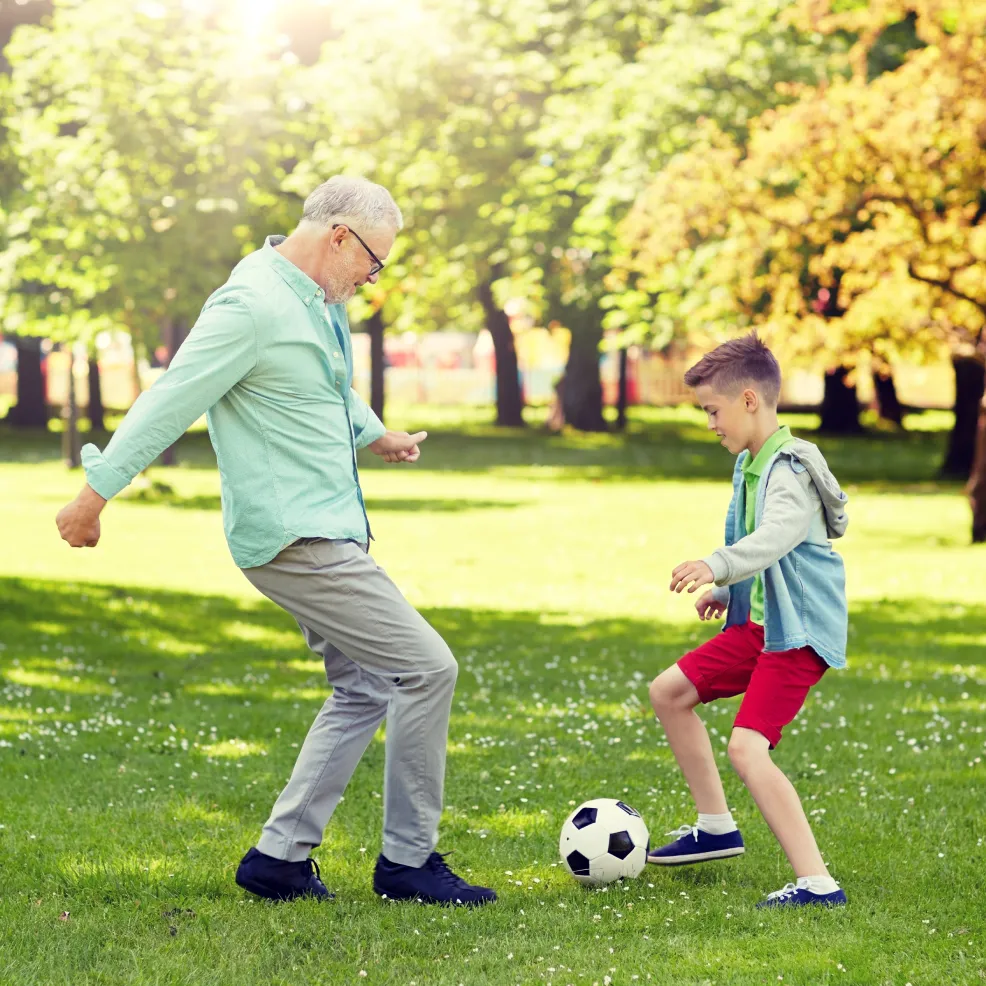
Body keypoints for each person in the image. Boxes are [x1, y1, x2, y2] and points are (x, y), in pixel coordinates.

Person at [55, 175, 496, 907]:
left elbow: (323, 386)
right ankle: (407, 864)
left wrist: (374, 432)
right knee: (427, 669)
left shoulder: (312, 303)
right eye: (373, 261)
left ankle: (278, 860)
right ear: (337, 237)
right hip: (297, 536)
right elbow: (173, 398)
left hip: (326, 528)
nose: (372, 278)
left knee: (361, 686)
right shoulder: (251, 304)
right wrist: (93, 495)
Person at [646, 332, 849, 909]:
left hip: (798, 634)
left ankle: (817, 884)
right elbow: (754, 548)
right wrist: (729, 586)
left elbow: (775, 537)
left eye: (713, 410)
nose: (711, 422)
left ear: (750, 401)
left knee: (747, 748)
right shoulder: (750, 464)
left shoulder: (788, 470)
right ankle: (716, 828)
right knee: (669, 692)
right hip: (762, 627)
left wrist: (715, 564)